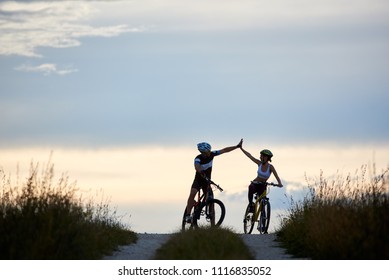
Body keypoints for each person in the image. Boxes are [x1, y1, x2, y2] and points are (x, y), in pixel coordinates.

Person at [184, 139, 243, 223]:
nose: (209, 152)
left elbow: (224, 150)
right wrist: (200, 171)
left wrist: (237, 147)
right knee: (192, 193)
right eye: (208, 151)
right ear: (203, 152)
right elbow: (196, 167)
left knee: (211, 202)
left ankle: (213, 227)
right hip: (198, 180)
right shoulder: (198, 158)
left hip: (207, 181)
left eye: (209, 150)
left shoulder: (212, 154)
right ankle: (188, 215)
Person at [239, 140, 283, 212]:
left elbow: (276, 176)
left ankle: (263, 219)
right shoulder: (259, 163)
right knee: (250, 187)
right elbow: (249, 156)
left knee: (262, 204)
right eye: (261, 156)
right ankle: (250, 205)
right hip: (255, 183)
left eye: (263, 156)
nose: (261, 157)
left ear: (267, 158)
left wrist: (279, 183)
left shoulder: (270, 167)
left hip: (263, 185)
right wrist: (241, 148)